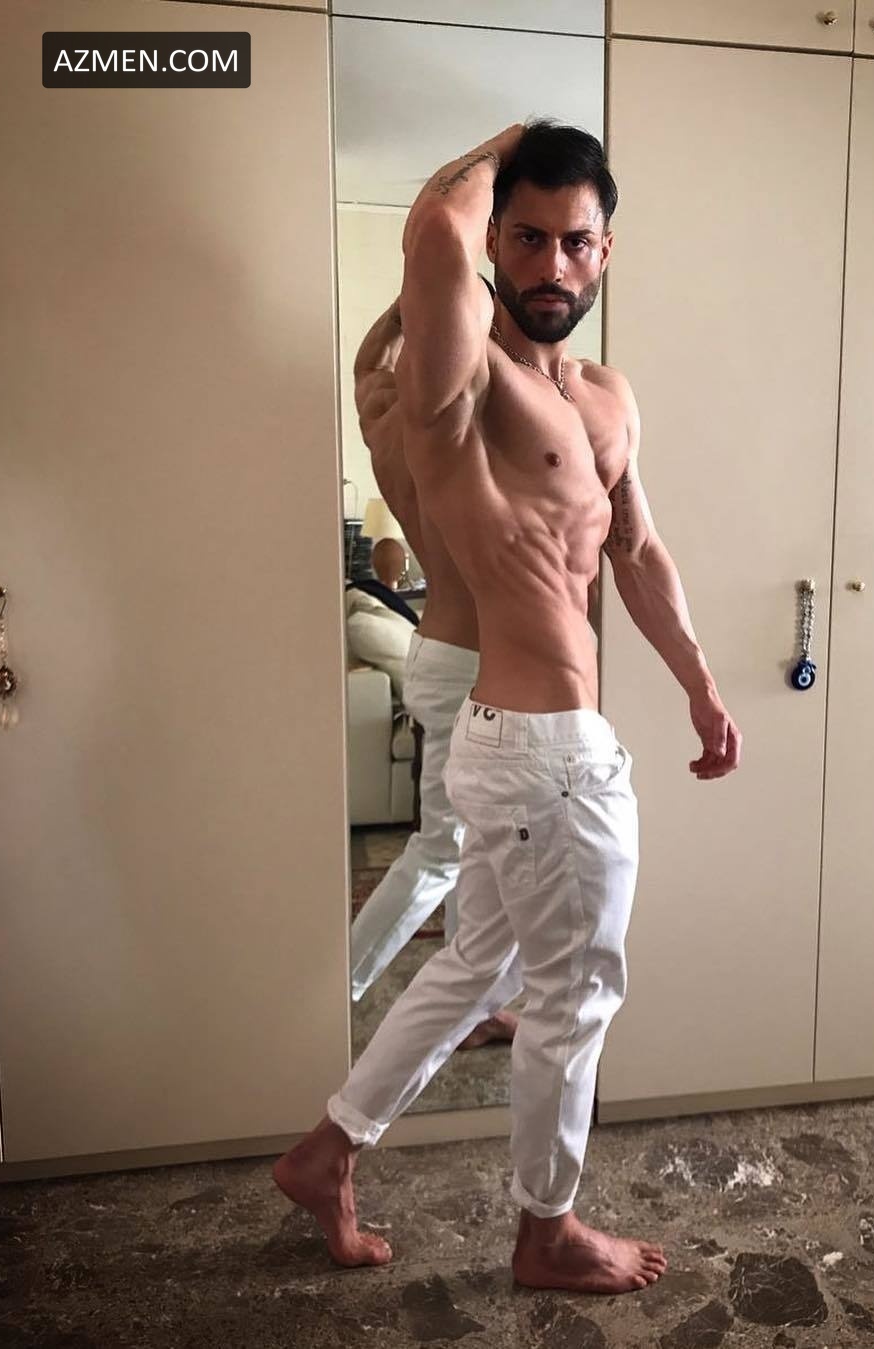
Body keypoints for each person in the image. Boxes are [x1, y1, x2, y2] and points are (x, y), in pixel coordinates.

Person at [274, 120, 741, 1295]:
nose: (551, 265)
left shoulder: (606, 396)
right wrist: (510, 141)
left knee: (480, 963)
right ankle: (548, 1228)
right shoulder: (461, 377)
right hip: (543, 752)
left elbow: (637, 550)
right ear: (495, 242)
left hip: (531, 747)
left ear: (606, 250)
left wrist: (699, 683)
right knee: (574, 998)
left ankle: (329, 1148)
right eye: (525, 238)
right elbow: (435, 229)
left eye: (575, 242)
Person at [346, 294, 518, 1048]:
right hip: (471, 664)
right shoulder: (472, 427)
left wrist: (403, 309)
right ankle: (343, 983)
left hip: (440, 653)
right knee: (444, 848)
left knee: (483, 849)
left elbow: (366, 365)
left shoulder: (389, 414)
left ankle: (474, 1004)